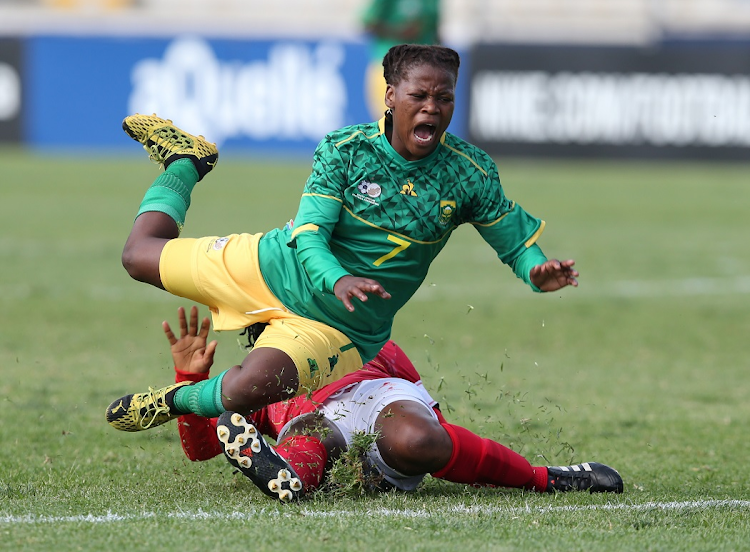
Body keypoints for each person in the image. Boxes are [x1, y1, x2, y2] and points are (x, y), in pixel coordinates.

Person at [106, 45, 581, 486]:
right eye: (419, 95)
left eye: (444, 97)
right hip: (276, 265)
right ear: (391, 96)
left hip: (337, 325)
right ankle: (187, 162)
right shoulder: (345, 149)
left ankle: (172, 401)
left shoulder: (469, 173)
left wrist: (536, 269)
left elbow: (516, 242)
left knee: (251, 386)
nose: (432, 107)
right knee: (137, 256)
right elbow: (310, 234)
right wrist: (337, 277)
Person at [146, 306, 622, 502]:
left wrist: (434, 446)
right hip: (315, 426)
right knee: (311, 435)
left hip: (377, 401)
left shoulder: (359, 341)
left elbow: (425, 407)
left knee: (416, 439)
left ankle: (548, 477)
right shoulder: (261, 381)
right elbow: (203, 448)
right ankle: (281, 473)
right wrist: (190, 378)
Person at [361, 0, 442, 120]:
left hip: (422, 68)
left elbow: (434, 31)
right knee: (389, 122)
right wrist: (398, 31)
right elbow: (368, 23)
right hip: (389, 65)